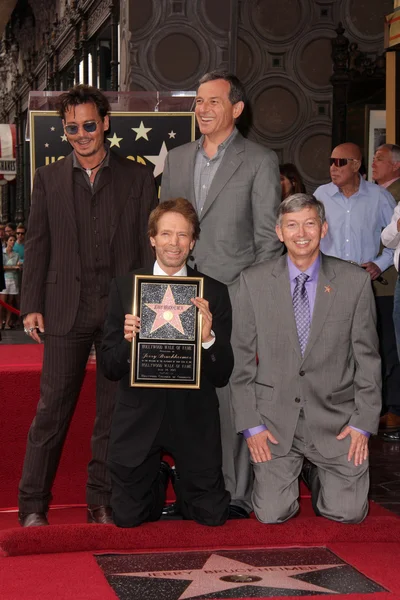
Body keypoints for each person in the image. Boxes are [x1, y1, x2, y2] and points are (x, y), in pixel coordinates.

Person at [18, 84, 158, 527]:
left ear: (105, 124)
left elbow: (146, 248)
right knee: (51, 411)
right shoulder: (49, 178)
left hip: (121, 311)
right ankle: (33, 505)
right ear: (64, 130)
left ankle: (101, 501)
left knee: (112, 413)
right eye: (72, 127)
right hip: (65, 308)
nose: (81, 134)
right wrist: (31, 303)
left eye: (89, 125)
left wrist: (148, 306)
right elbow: (37, 243)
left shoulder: (137, 178)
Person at [160, 70, 282, 518]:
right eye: (198, 102)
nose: (203, 109)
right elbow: (166, 227)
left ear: (236, 109)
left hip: (236, 296)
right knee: (184, 392)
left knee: (231, 395)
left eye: (213, 102)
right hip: (181, 293)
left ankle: (233, 492)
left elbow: (269, 241)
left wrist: (257, 302)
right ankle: (191, 484)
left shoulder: (259, 160)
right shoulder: (175, 160)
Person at [230, 194, 381, 524]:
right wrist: (251, 426)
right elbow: (240, 363)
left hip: (336, 423)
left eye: (310, 223)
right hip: (275, 424)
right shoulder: (252, 282)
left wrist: (363, 425)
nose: (301, 233)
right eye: (292, 225)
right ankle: (297, 471)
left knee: (349, 513)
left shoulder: (354, 283)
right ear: (279, 232)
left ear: (323, 228)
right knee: (272, 514)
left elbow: (368, 360)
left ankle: (316, 474)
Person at [100, 198, 232, 527]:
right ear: (152, 238)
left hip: (193, 416)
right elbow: (110, 367)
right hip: (139, 416)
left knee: (211, 517)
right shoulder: (125, 288)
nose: (174, 243)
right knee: (129, 519)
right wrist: (129, 342)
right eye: (166, 234)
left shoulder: (213, 292)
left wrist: (207, 338)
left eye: (183, 235)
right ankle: (159, 476)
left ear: (193, 241)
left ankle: (186, 483)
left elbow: (222, 374)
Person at [314, 142, 395, 435]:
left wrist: (379, 264)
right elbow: (310, 234)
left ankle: (366, 412)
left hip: (365, 285)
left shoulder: (380, 197)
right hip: (329, 282)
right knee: (330, 345)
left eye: (341, 162)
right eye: (331, 161)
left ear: (357, 165)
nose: (333, 167)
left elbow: (394, 239)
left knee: (366, 348)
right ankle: (331, 407)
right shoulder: (321, 195)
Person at [372, 144, 400, 433]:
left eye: (380, 159)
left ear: (396, 165)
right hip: (387, 282)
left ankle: (394, 408)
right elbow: (388, 237)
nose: (374, 163)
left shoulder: (393, 193)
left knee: (390, 348)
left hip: (388, 281)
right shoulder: (373, 191)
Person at [1, 234, 20, 329]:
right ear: (7, 241)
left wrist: (17, 267)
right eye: (11, 240)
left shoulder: (16, 255)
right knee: (2, 302)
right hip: (4, 279)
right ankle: (0, 322)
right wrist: (13, 267)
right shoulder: (2, 253)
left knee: (10, 302)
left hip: (14, 279)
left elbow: (18, 266)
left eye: (14, 240)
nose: (12, 242)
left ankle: (8, 322)